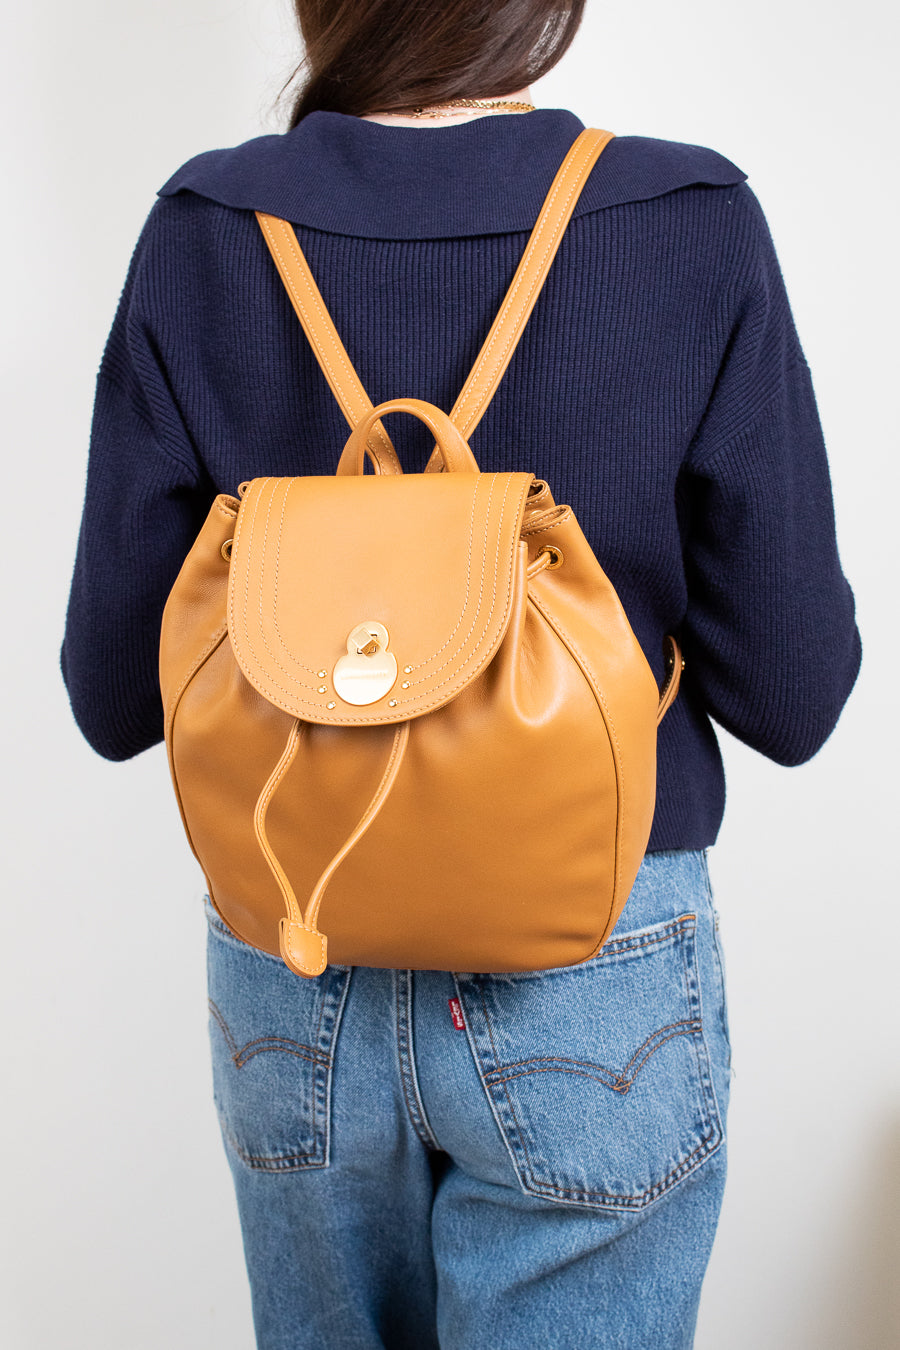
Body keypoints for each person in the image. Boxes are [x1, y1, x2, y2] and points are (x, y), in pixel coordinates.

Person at [60, 2, 861, 1346]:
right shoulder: (687, 213)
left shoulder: (204, 227)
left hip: (296, 949)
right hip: (593, 950)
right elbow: (796, 696)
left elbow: (110, 693)